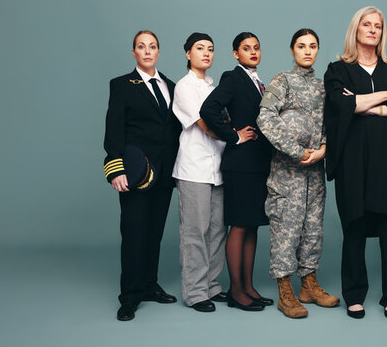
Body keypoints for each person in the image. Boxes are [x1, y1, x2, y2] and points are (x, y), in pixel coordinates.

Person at [323, 6, 387, 319]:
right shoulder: (338, 70)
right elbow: (338, 106)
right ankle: (354, 294)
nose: (373, 30)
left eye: (378, 25)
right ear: (356, 29)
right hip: (352, 162)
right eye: (367, 24)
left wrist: (362, 105)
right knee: (354, 226)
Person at [256, 28, 340, 319]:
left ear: (317, 50)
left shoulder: (322, 87)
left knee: (313, 229)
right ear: (293, 50)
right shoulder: (283, 81)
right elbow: (264, 117)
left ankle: (309, 285)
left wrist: (324, 148)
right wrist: (295, 149)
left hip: (314, 172)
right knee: (286, 230)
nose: (307, 51)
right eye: (301, 46)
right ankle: (285, 291)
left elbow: (330, 125)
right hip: (287, 171)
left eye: (313, 46)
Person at [104, 30, 182, 321]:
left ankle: (149, 285)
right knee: (134, 233)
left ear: (158, 51)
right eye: (141, 47)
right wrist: (116, 168)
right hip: (136, 173)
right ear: (134, 52)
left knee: (154, 233)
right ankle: (130, 296)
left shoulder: (171, 86)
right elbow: (114, 129)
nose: (147, 51)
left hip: (164, 173)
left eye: (152, 47)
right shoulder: (122, 85)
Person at [200, 32, 273, 312]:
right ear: (236, 54)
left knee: (253, 224)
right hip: (240, 164)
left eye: (256, 47)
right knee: (240, 225)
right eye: (246, 48)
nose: (253, 52)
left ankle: (248, 286)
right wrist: (233, 136)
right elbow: (209, 109)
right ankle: (235, 291)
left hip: (257, 164)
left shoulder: (258, 81)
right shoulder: (233, 77)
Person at [171, 32, 229, 313]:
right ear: (187, 53)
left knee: (218, 230)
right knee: (195, 231)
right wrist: (236, 135)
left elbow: (222, 119)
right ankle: (195, 292)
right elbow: (206, 123)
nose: (206, 53)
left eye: (210, 49)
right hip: (193, 169)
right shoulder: (184, 86)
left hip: (218, 167)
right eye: (200, 48)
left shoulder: (213, 86)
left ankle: (211, 285)